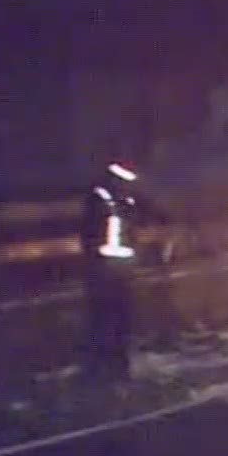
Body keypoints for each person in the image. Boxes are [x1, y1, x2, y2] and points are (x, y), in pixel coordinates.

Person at [79, 161, 147, 382]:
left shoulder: (125, 200)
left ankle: (117, 366)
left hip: (119, 271)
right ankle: (101, 367)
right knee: (104, 319)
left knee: (119, 319)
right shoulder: (101, 199)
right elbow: (90, 235)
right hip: (103, 271)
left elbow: (132, 233)